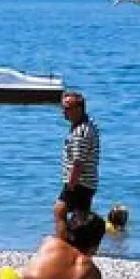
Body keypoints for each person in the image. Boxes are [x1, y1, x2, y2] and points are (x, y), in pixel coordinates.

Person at [53, 92, 100, 239]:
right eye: (63, 107)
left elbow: (77, 162)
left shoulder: (81, 132)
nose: (63, 111)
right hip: (87, 182)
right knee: (80, 219)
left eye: (67, 108)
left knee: (59, 210)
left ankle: (63, 244)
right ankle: (79, 246)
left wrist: (71, 185)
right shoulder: (86, 125)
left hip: (80, 182)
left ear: (78, 109)